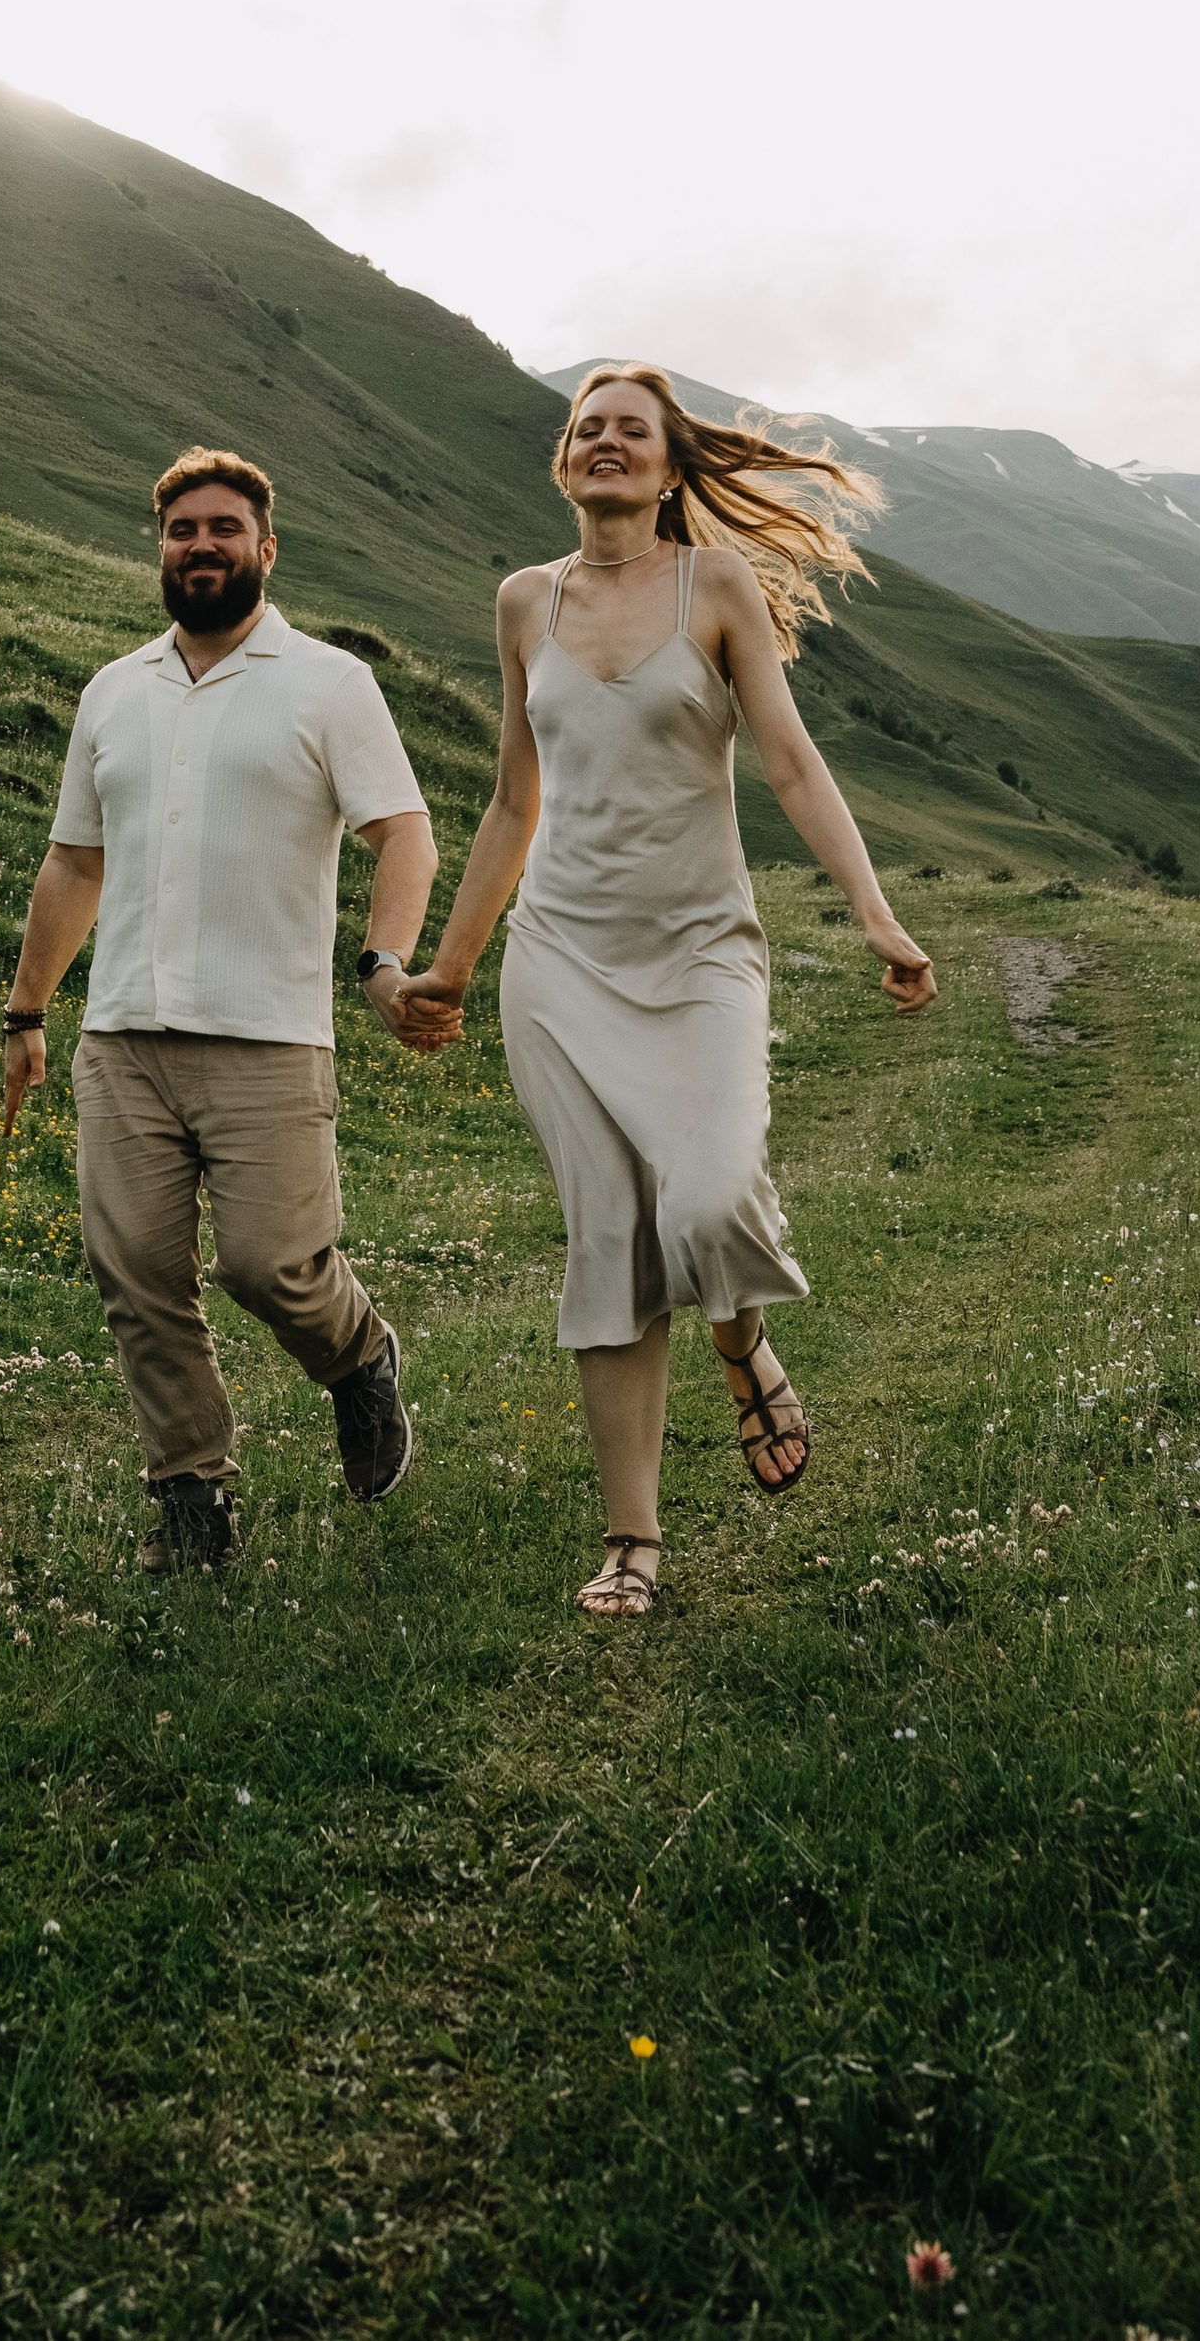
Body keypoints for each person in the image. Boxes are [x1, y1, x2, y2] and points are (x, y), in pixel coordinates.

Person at [388, 367, 935, 1617]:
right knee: (611, 1241)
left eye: (631, 429)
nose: (606, 442)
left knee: (706, 1197)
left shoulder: (715, 585)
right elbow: (514, 799)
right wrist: (453, 967)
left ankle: (742, 1341)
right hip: (559, 961)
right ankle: (630, 1541)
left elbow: (789, 761)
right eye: (587, 428)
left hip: (699, 955)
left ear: (670, 464)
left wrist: (873, 911)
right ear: (562, 461)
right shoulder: (524, 600)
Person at [1, 446, 437, 1570]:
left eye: (223, 528)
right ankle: (192, 1499)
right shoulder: (113, 690)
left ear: (265, 549)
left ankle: (359, 1357)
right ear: (161, 547)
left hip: (269, 1035)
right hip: (123, 1037)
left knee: (269, 1263)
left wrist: (385, 960)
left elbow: (403, 831)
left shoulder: (329, 683)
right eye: (182, 529)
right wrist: (26, 1011)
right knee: (138, 1277)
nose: (201, 544)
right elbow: (74, 862)